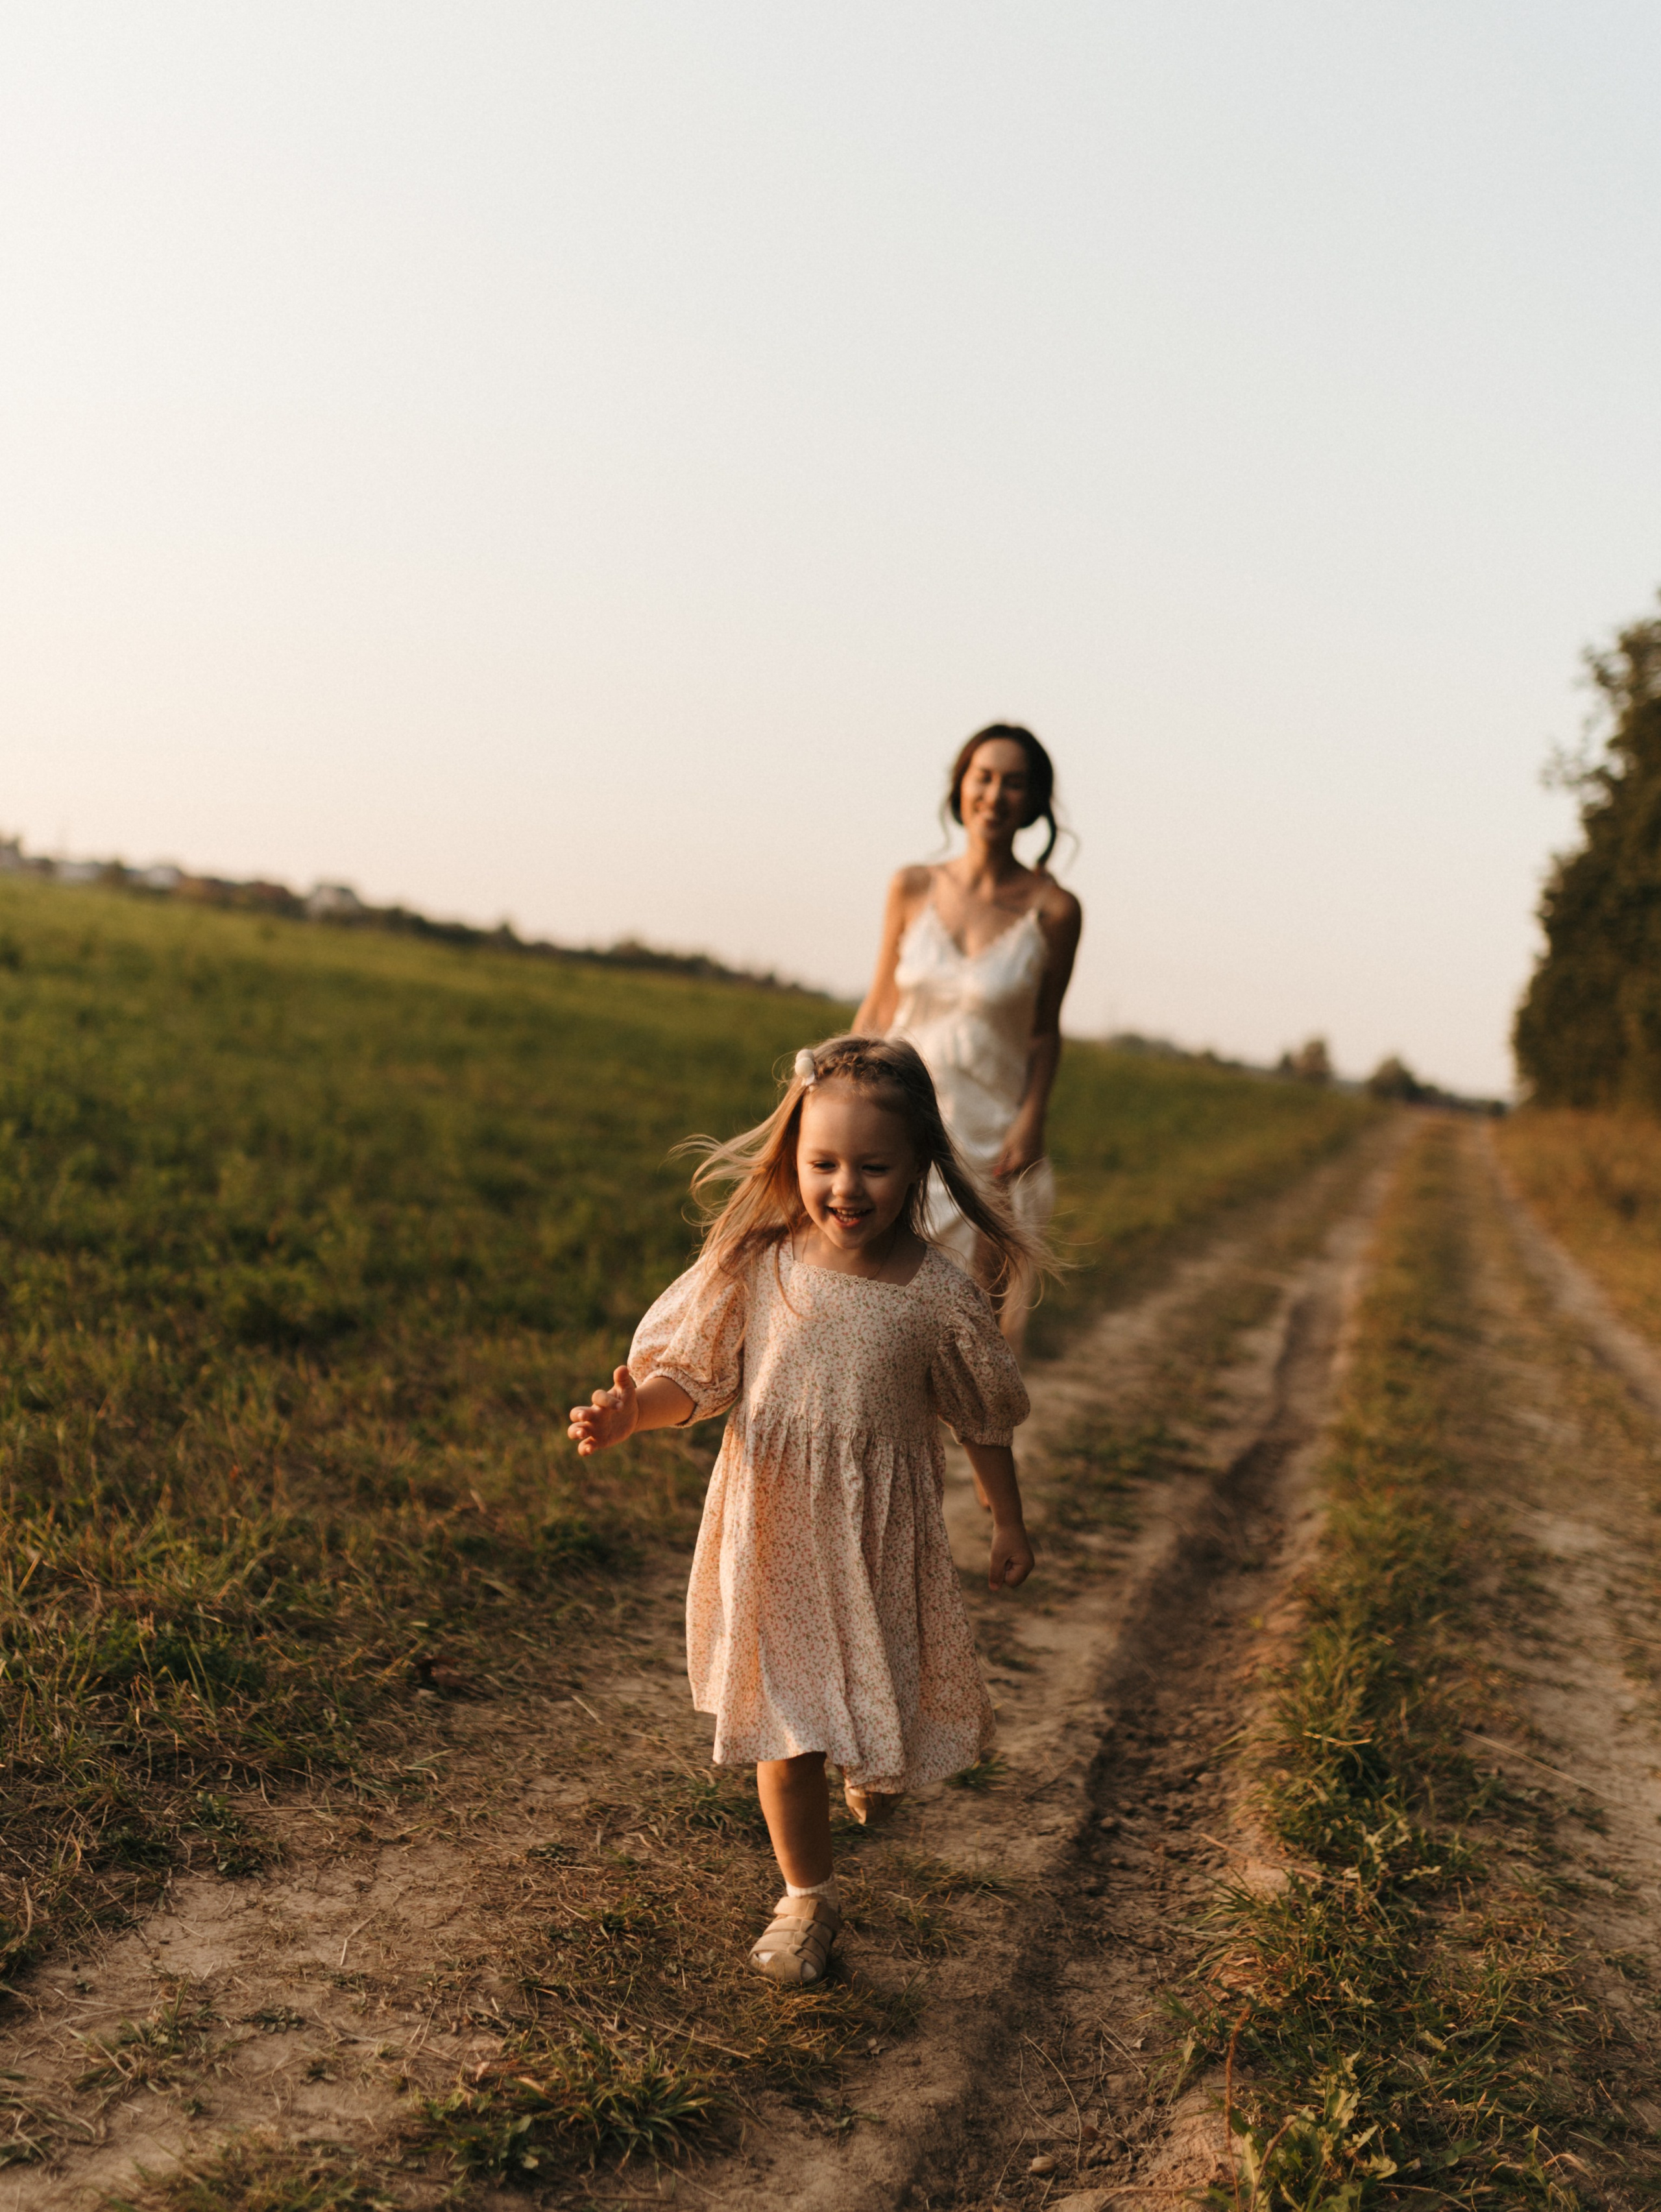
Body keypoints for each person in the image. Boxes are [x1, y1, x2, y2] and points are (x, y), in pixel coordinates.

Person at [567, 1036, 1039, 1988]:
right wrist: (631, 1414)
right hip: (773, 1527)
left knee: (872, 1700)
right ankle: (807, 1901)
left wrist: (1007, 1517)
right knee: (789, 1724)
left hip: (873, 1539)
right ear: (793, 1158)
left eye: (874, 1165)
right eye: (823, 1163)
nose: (847, 1186)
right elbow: (690, 1379)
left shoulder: (940, 1296)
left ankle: (873, 1765)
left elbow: (981, 1416)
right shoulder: (758, 1263)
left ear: (919, 1167)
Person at [855, 725, 1082, 1345]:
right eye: (984, 777)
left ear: (1034, 802)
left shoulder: (1056, 910)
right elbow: (879, 1003)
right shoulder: (912, 886)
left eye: (1015, 783)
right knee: (870, 1296)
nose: (996, 794)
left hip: (987, 1134)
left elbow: (1044, 1033)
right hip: (897, 1114)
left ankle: (962, 1440)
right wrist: (838, 1090)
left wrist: (1030, 1121)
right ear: (961, 786)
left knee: (968, 1324)